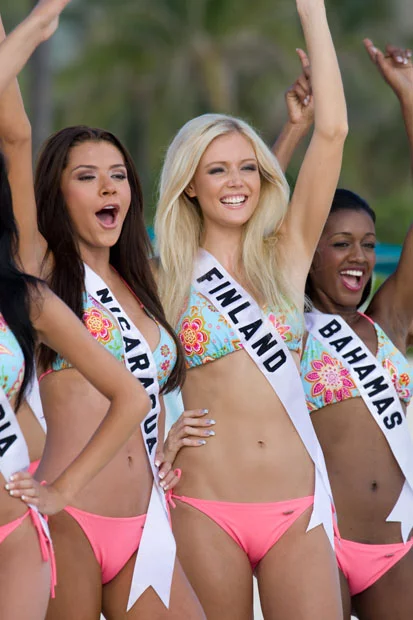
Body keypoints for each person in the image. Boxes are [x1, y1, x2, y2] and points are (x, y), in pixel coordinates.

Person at [2, 4, 207, 619]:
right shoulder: (43, 269)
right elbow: (15, 136)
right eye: (88, 177)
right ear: (57, 193)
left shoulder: (146, 283)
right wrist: (30, 26)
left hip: (147, 523)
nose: (109, 187)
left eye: (118, 175)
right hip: (71, 513)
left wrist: (170, 438)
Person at [154, 0, 348, 618]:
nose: (236, 181)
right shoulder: (164, 279)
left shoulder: (287, 256)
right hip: (205, 504)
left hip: (297, 505)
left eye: (247, 167)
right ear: (190, 184)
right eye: (217, 169)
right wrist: (156, 434)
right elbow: (120, 368)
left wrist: (312, 12)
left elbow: (334, 133)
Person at [275, 40, 413, 619]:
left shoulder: (389, 321)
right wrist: (294, 131)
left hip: (397, 544)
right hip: (318, 539)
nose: (358, 257)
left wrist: (409, 97)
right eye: (340, 243)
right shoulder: (285, 326)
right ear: (310, 255)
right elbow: (250, 230)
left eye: (368, 244)